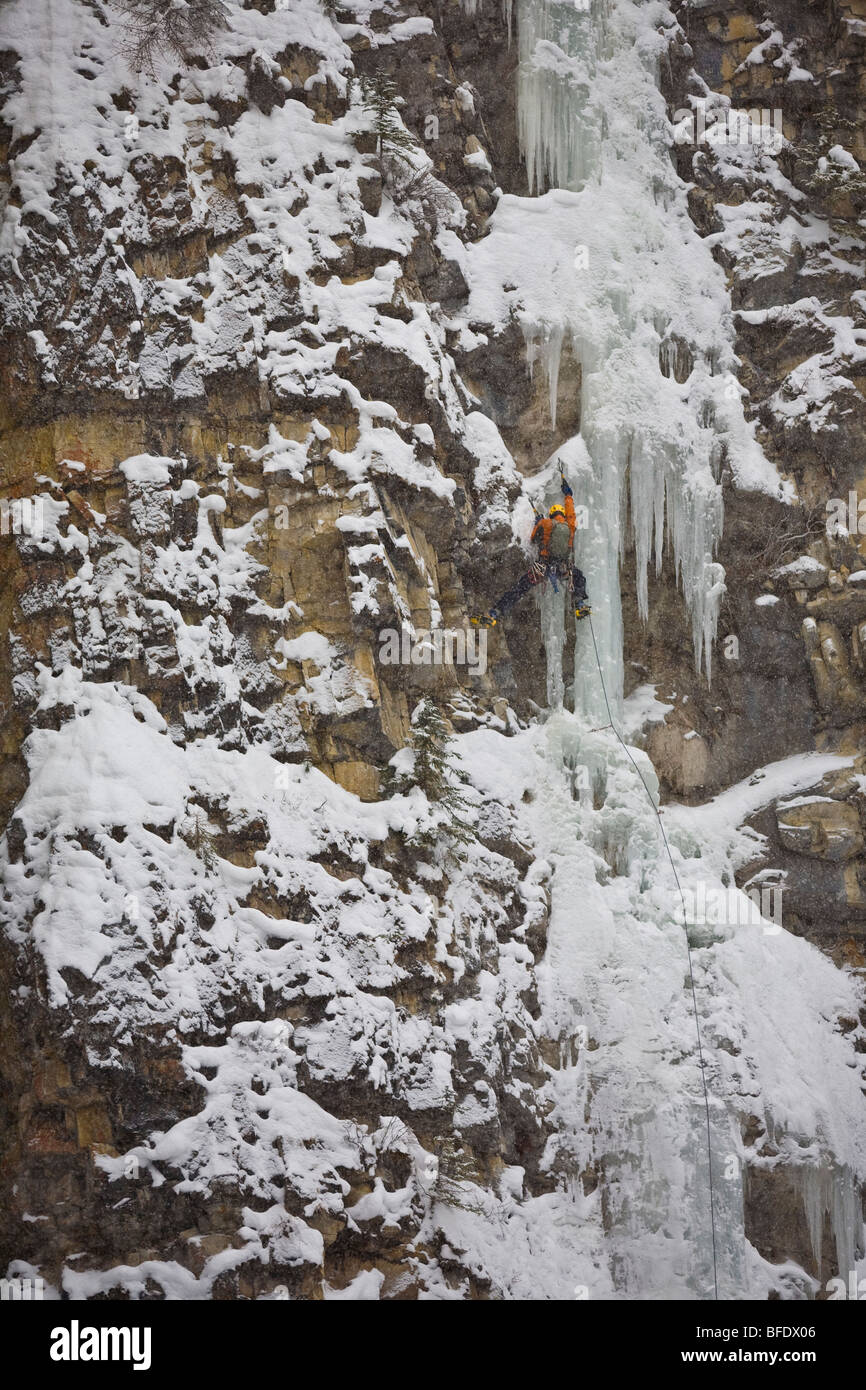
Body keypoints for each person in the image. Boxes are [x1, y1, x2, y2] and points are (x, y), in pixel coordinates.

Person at [472, 477, 591, 627]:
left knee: (520, 588)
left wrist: (538, 523)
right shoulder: (570, 525)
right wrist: (568, 495)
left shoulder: (545, 523)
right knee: (579, 577)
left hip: (542, 569)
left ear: (551, 514)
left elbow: (534, 538)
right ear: (562, 514)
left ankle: (495, 612)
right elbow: (572, 513)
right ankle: (579, 604)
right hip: (563, 568)